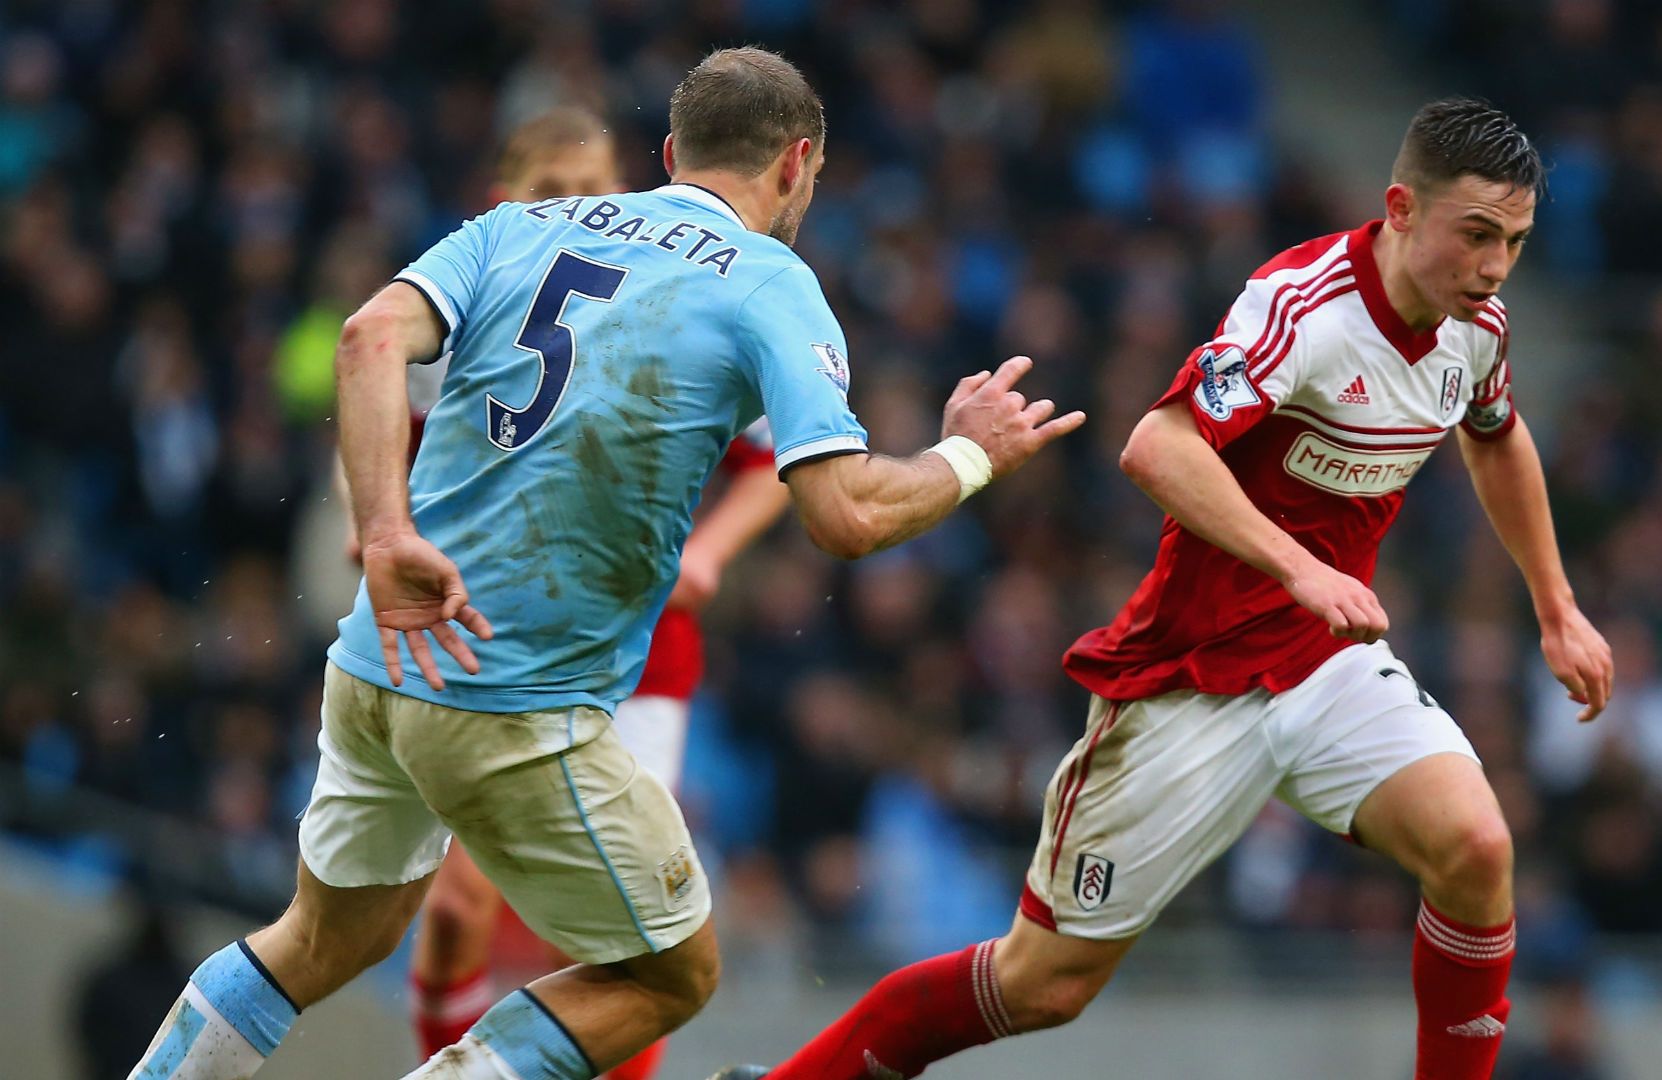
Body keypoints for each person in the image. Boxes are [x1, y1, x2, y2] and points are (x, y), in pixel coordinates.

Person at [125, 47, 1082, 1080]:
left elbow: (364, 339)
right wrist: (969, 453)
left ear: (670, 153)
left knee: (321, 937)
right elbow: (843, 516)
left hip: (379, 661)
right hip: (514, 701)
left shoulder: (519, 226)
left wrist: (387, 530)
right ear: (799, 164)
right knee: (669, 974)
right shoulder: (772, 283)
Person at [710, 98, 1614, 1080]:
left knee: (1479, 847)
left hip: (1328, 666)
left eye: (1515, 244)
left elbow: (1498, 437)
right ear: (1400, 207)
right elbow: (1158, 444)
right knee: (1038, 986)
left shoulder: (1475, 326)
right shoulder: (1302, 310)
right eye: (1476, 235)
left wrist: (1557, 608)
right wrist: (1301, 565)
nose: (1492, 267)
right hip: (1196, 678)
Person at [401, 108, 792, 1080]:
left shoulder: (666, 304)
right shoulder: (459, 310)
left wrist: (707, 555)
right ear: (503, 203)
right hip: (497, 642)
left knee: (624, 936)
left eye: (592, 190)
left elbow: (778, 454)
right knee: (454, 914)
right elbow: (388, 462)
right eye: (548, 193)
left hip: (640, 656)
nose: (573, 209)